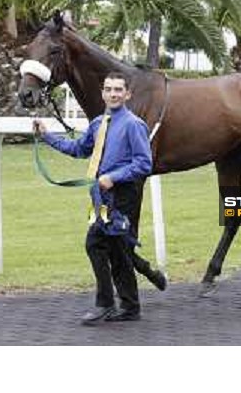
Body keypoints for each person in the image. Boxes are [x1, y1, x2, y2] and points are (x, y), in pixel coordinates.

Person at [34, 71, 155, 325]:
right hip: (101, 197)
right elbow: (79, 149)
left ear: (127, 94)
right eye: (109, 89)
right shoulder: (99, 123)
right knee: (117, 250)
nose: (113, 94)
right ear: (103, 94)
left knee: (95, 244)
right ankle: (130, 306)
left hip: (122, 194)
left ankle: (106, 304)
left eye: (118, 90)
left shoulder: (133, 125)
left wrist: (115, 176)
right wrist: (47, 136)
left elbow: (144, 163)